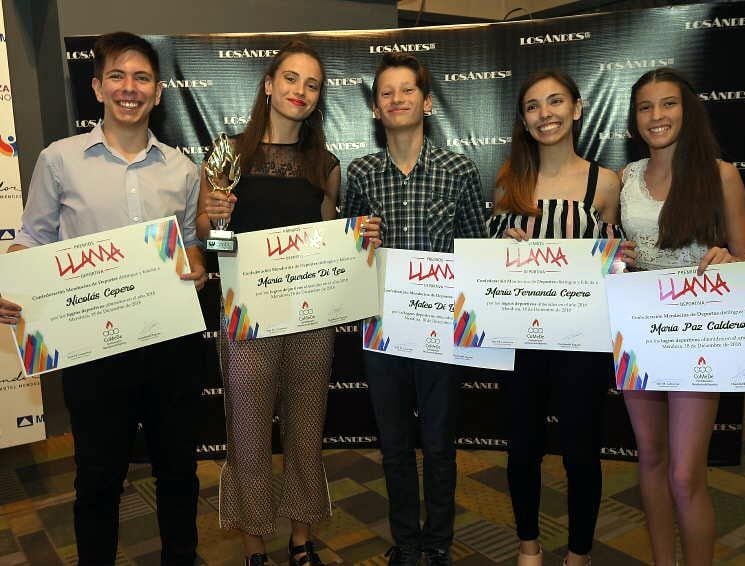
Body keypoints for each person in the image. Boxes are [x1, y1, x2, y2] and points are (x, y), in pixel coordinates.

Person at [0, 32, 207, 565]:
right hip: (94, 351)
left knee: (179, 473)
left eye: (141, 78)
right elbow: (34, 237)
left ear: (158, 92)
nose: (129, 88)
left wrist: (198, 264)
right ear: (97, 87)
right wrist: (13, 285)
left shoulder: (184, 170)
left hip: (171, 347)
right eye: (117, 76)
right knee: (97, 478)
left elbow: (188, 244)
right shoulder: (59, 160)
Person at [197, 40, 380, 566]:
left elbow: (330, 245)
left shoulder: (324, 165)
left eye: (312, 84)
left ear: (318, 98)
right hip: (246, 320)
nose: (300, 91)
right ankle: (255, 545)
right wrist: (215, 219)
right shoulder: (228, 154)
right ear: (269, 85)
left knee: (304, 433)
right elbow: (212, 245)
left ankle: (301, 541)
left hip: (309, 320)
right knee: (249, 436)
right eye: (291, 79)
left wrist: (359, 237)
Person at [342, 53, 487, 566]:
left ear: (426, 103)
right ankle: (406, 542)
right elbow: (348, 255)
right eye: (386, 93)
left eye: (407, 91)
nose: (397, 99)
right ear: (376, 109)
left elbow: (477, 248)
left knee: (440, 442)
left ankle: (439, 540)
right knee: (396, 443)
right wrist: (359, 242)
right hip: (381, 329)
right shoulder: (360, 173)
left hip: (442, 328)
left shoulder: (459, 169)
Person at [487, 69, 635, 566]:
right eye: (532, 106)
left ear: (577, 108)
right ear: (524, 119)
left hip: (582, 341)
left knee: (580, 451)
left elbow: (617, 262)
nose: (544, 113)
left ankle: (579, 553)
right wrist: (499, 247)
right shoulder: (509, 180)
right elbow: (488, 264)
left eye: (554, 102)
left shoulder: (606, 183)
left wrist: (620, 259)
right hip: (522, 338)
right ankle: (528, 546)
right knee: (523, 448)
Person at [620, 67, 745, 566]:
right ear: (635, 121)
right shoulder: (625, 178)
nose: (657, 116)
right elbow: (613, 251)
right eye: (646, 107)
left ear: (688, 109)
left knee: (684, 474)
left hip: (699, 333)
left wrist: (728, 259)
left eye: (668, 104)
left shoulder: (721, 175)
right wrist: (616, 256)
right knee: (650, 459)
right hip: (639, 330)